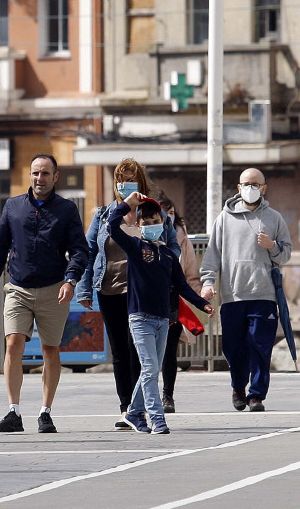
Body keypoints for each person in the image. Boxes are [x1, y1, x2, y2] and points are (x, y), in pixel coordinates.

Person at [0, 154, 89, 434]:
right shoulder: (13, 207)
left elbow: (79, 249)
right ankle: (13, 411)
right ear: (30, 176)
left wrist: (71, 279)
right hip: (17, 287)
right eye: (35, 173)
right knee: (13, 342)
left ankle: (45, 412)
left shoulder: (66, 210)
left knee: (49, 349)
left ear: (56, 177)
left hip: (54, 289)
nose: (39, 179)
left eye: (45, 173)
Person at [75, 158, 180, 430]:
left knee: (142, 355)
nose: (125, 183)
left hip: (143, 294)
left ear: (141, 181)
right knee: (121, 352)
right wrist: (83, 287)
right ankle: (126, 409)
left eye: (131, 178)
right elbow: (90, 253)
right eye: (121, 179)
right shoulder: (104, 214)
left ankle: (140, 409)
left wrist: (165, 272)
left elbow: (173, 249)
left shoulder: (155, 213)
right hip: (110, 289)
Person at [108, 193, 213, 434]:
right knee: (149, 368)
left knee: (152, 369)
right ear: (138, 226)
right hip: (140, 317)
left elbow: (182, 285)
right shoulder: (135, 247)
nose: (151, 226)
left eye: (155, 221)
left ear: (163, 224)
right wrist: (128, 204)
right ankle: (157, 418)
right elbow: (111, 225)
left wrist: (201, 304)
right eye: (145, 223)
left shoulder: (167, 255)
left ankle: (134, 412)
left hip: (162, 319)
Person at [200, 168, 292, 412]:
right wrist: (208, 283)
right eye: (246, 183)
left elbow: (286, 253)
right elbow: (212, 257)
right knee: (233, 347)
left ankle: (256, 395)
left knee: (260, 345)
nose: (250, 187)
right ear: (238, 188)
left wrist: (272, 246)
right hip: (233, 295)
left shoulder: (274, 218)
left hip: (264, 295)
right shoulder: (224, 219)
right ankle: (238, 386)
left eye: (255, 184)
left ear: (264, 188)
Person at [157, 195, 204, 413]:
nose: (168, 217)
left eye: (172, 212)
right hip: (147, 301)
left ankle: (167, 396)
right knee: (144, 354)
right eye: (164, 212)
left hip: (174, 301)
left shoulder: (181, 237)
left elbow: (191, 275)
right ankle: (140, 398)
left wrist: (200, 298)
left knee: (169, 351)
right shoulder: (141, 234)